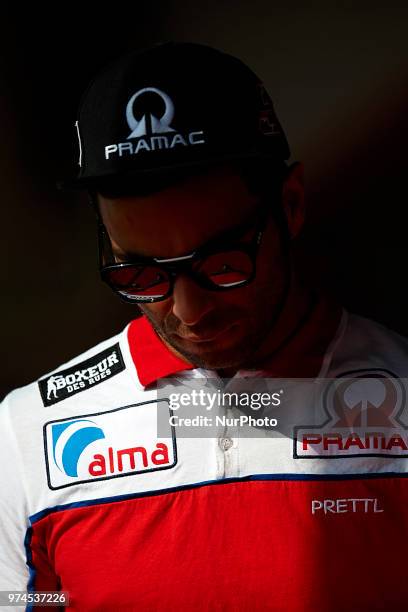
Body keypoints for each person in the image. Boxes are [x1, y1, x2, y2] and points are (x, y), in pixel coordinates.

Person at [1, 42, 407, 611]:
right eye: (139, 270)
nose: (189, 312)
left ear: (291, 206)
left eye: (222, 263)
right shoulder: (25, 434)